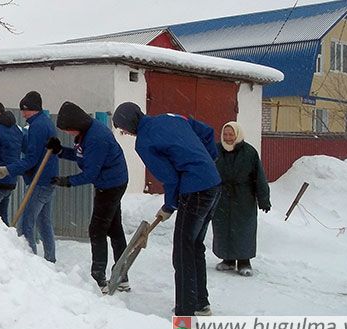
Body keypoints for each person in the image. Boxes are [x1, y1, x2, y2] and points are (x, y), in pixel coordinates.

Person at [112, 102, 221, 317]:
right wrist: (207, 162)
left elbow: (170, 178)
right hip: (214, 184)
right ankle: (200, 303)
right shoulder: (172, 117)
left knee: (182, 253)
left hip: (196, 190)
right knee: (194, 246)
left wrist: (170, 205)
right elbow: (208, 133)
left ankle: (184, 315)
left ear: (129, 124)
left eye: (122, 128)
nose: (124, 133)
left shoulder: (144, 142)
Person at [45, 101, 129, 294]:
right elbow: (82, 156)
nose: (67, 134)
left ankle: (98, 280)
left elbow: (90, 172)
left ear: (76, 126)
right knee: (114, 229)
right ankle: (122, 277)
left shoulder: (96, 138)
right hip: (110, 181)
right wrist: (60, 151)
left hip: (110, 185)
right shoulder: (86, 133)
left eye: (68, 131)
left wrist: (66, 181)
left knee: (97, 230)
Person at [0, 91, 59, 262]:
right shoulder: (45, 122)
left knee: (25, 224)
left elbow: (31, 159)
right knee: (44, 223)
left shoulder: (38, 126)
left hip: (40, 181)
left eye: (25, 110)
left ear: (34, 109)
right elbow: (34, 150)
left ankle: (28, 264)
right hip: (48, 179)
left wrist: (8, 169)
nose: (22, 113)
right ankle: (50, 260)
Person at [212, 121, 270, 277]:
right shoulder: (216, 150)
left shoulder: (249, 152)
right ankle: (228, 260)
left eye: (231, 134)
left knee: (244, 229)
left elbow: (259, 177)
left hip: (244, 197)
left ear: (237, 135)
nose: (228, 137)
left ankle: (244, 261)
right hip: (222, 196)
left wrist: (264, 198)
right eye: (225, 134)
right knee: (223, 228)